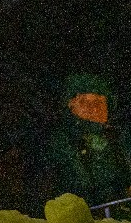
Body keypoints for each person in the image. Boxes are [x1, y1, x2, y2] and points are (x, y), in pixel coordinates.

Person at [46, 73, 131, 209]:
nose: (94, 108)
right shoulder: (59, 142)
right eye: (85, 102)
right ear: (71, 106)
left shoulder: (119, 139)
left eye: (100, 102)